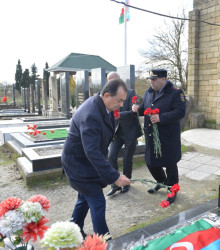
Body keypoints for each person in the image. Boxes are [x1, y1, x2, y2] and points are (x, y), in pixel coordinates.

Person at [61, 78, 130, 237]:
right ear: (106, 95)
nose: (121, 105)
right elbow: (92, 152)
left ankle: (74, 229)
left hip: (85, 161)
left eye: (123, 101)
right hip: (78, 164)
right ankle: (103, 241)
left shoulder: (103, 106)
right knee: (97, 201)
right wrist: (115, 177)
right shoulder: (92, 114)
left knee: (84, 198)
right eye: (119, 100)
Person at [132, 69, 186, 205]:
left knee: (170, 164)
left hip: (167, 136)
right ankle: (161, 182)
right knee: (150, 161)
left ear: (163, 79)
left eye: (154, 79)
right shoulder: (149, 92)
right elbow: (145, 108)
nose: (151, 82)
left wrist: (161, 117)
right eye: (150, 79)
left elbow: (180, 112)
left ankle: (172, 190)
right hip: (152, 135)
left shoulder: (175, 92)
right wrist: (138, 109)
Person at [106, 72, 142, 196]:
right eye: (108, 80)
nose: (110, 82)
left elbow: (133, 111)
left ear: (119, 80)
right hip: (116, 132)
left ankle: (126, 182)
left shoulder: (131, 92)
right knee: (111, 156)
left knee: (127, 158)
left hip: (130, 131)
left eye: (112, 80)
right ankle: (115, 183)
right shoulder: (108, 95)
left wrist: (120, 115)